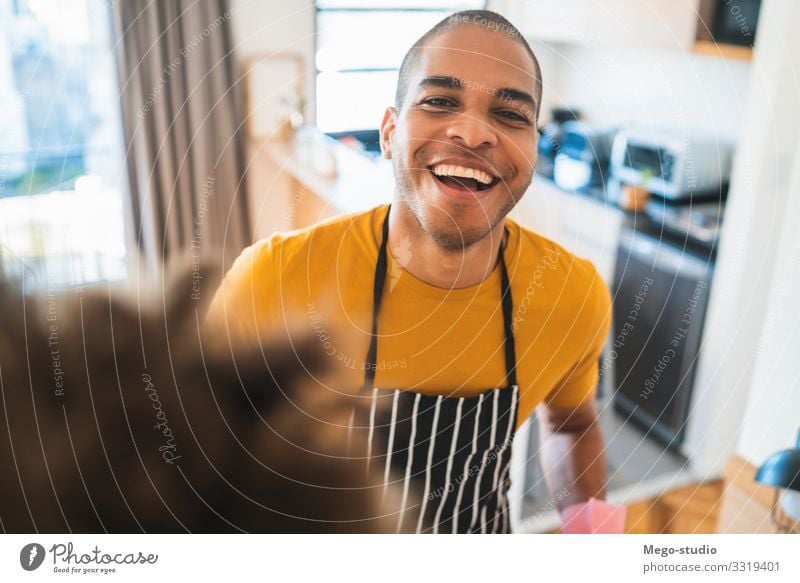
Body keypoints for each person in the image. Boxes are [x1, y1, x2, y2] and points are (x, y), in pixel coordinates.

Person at [207, 9, 612, 534]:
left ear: (534, 149)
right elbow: (196, 451)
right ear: (389, 132)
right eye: (440, 101)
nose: (472, 131)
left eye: (511, 115)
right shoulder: (275, 278)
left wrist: (597, 545)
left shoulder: (573, 294)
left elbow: (572, 425)